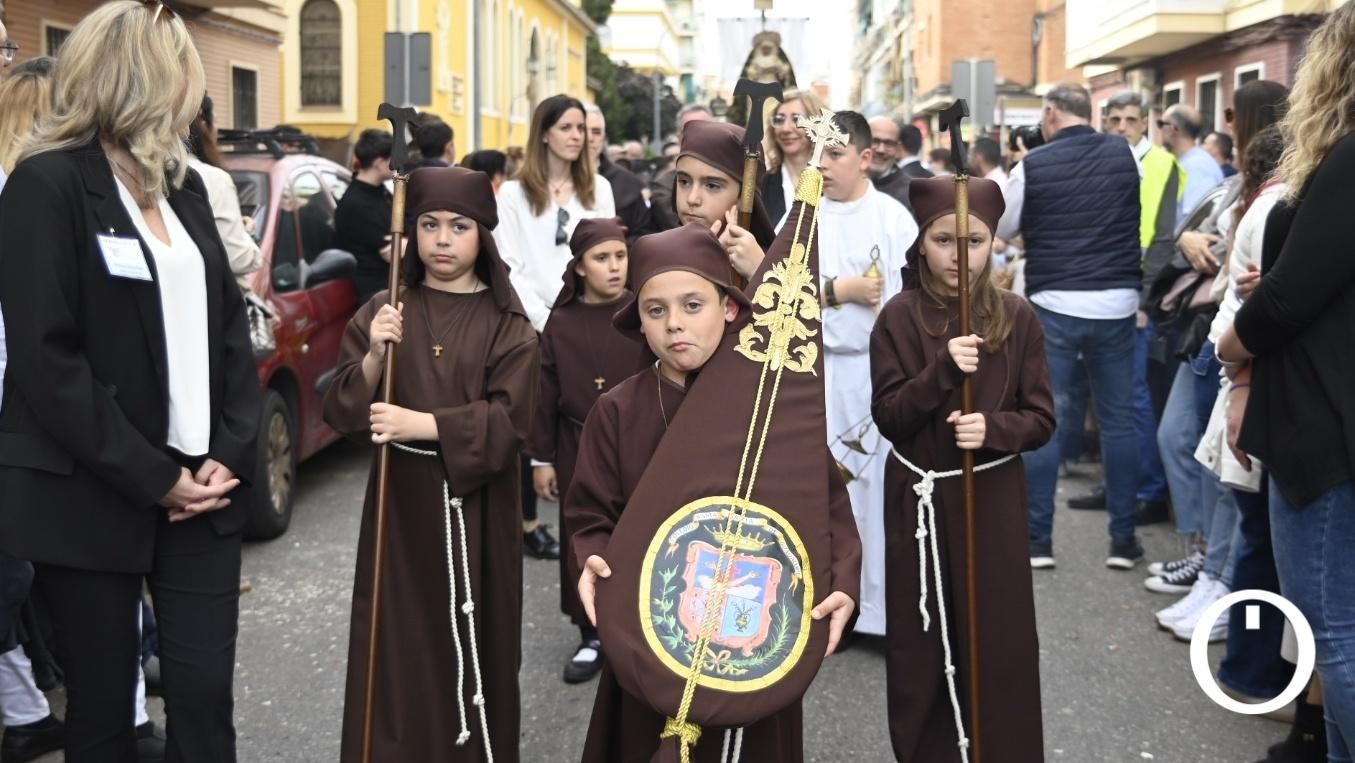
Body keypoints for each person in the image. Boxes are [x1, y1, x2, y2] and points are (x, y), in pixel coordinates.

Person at [0, 4, 261, 760]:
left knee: (203, 697)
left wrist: (231, 450)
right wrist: (154, 477)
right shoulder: (45, 187)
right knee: (105, 712)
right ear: (140, 76)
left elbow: (229, 334)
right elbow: (48, 360)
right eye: (184, 69)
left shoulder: (182, 187)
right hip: (91, 488)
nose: (195, 89)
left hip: (203, 489)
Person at [566, 223, 859, 762]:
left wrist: (842, 582)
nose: (674, 323)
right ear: (640, 324)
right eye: (655, 310)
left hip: (753, 642)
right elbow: (590, 514)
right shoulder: (618, 411)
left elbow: (829, 512)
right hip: (651, 637)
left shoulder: (772, 407)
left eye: (693, 304)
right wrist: (591, 556)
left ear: (728, 309)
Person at [322, 166, 539, 762]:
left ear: (482, 235)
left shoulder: (507, 322)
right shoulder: (387, 308)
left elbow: (512, 421)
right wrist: (373, 355)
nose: (443, 239)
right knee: (398, 644)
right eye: (430, 224)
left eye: (459, 226)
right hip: (401, 506)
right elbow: (342, 408)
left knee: (471, 642)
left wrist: (423, 424)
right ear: (412, 231)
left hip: (475, 512)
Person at [872, 175, 1053, 762]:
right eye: (944, 240)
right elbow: (890, 416)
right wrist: (941, 373)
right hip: (920, 501)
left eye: (973, 241)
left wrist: (994, 430)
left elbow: (1042, 418)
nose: (959, 255)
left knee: (997, 639)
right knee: (923, 642)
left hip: (991, 497)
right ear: (922, 243)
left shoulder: (1018, 318)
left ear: (992, 242)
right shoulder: (898, 317)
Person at [1218, 5, 1355, 755]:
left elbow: (1290, 301)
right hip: (1322, 409)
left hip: (1324, 422)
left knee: (1331, 627)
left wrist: (1232, 344)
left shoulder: (1347, 157)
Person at [996, 81, 1145, 570]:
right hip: (1117, 302)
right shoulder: (1126, 154)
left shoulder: (1032, 165)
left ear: (1051, 114)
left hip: (1055, 300)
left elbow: (1004, 227)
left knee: (1047, 417)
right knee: (1119, 422)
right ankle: (1123, 541)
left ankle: (1038, 541)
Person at [525, 217, 648, 685]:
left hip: (638, 442)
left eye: (620, 256)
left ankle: (641, 626)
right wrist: (541, 460)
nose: (614, 267)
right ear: (578, 267)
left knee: (638, 531)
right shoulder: (560, 323)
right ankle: (591, 633)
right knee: (584, 535)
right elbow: (545, 394)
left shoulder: (642, 311)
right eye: (601, 258)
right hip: (577, 443)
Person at [495, 94, 615, 561]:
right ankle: (528, 521)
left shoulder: (598, 189)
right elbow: (510, 264)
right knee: (534, 420)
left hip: (589, 322)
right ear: (544, 133)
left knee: (590, 419)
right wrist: (549, 321)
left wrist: (580, 318)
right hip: (534, 324)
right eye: (566, 127)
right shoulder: (514, 195)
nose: (576, 136)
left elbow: (606, 249)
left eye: (581, 128)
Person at [818, 110, 917, 637]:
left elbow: (913, 297)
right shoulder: (802, 217)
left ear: (865, 158)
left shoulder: (893, 219)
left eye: (835, 154)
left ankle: (874, 611)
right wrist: (841, 291)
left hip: (873, 371)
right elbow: (777, 290)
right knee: (821, 487)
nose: (824, 165)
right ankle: (822, 602)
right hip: (816, 371)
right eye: (819, 154)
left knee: (873, 491)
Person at [1066, 89, 1182, 525]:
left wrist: (1144, 299)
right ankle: (1118, 486)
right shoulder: (1099, 158)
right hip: (1100, 293)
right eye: (1113, 119)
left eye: (1130, 120)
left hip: (1134, 298)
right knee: (1110, 399)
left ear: (1145, 123)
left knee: (1132, 399)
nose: (1120, 128)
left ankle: (1146, 492)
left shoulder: (1162, 164)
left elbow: (1164, 239)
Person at [673, 119, 778, 283]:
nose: (692, 199)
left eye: (712, 186)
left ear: (743, 197)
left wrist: (759, 274)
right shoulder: (655, 254)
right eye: (684, 182)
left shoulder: (774, 266)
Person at [187, 94, 263, 293]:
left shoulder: (148, 172)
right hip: (216, 299)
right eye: (216, 121)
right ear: (204, 124)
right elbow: (237, 258)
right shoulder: (214, 180)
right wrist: (248, 235)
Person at [332, 128, 395, 304]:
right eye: (394, 158)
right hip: (374, 294)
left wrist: (406, 241)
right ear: (380, 163)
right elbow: (392, 252)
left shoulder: (380, 192)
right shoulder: (357, 204)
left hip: (386, 286)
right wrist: (404, 243)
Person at [584, 105, 654, 245]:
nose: (590, 138)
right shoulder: (556, 180)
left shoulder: (628, 182)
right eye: (583, 130)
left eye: (596, 132)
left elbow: (644, 235)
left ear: (604, 137)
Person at [761, 88, 826, 228]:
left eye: (797, 119)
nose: (786, 129)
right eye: (779, 120)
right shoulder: (761, 185)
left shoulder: (833, 182)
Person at [649, 103, 713, 231]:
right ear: (679, 137)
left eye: (705, 129)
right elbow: (680, 228)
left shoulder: (734, 177)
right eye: (691, 130)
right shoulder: (664, 186)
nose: (699, 136)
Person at [1160, 104, 1226, 221]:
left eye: (1161, 124)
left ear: (1173, 129)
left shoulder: (1196, 167)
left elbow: (1194, 221)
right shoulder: (1191, 162)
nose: (1159, 130)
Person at [867, 114, 915, 210]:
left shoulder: (913, 194)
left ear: (898, 148)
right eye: (874, 141)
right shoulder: (843, 185)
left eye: (889, 143)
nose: (881, 150)